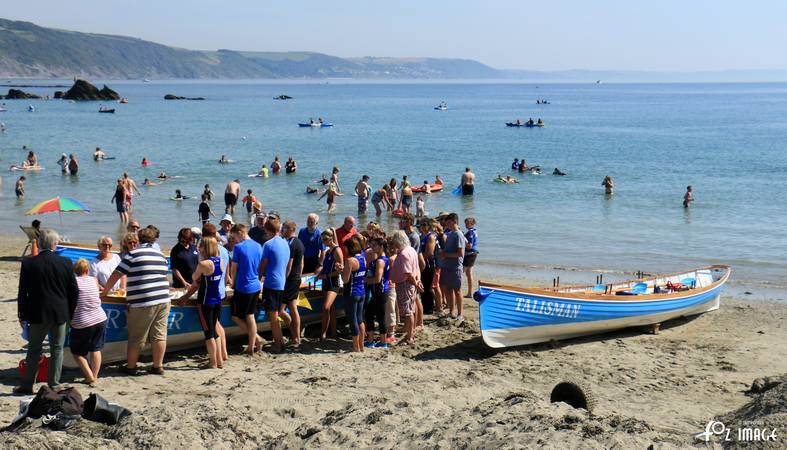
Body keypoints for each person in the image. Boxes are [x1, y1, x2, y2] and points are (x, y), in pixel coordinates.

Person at [14, 229, 79, 394]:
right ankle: (54, 384)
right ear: (55, 244)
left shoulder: (29, 263)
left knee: (34, 349)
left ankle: (28, 384)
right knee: (57, 349)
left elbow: (23, 292)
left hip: (37, 312)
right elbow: (74, 291)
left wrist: (22, 314)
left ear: (40, 243)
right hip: (60, 312)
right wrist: (70, 312)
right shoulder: (65, 262)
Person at [102, 227, 170, 375]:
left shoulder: (133, 254)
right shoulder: (160, 255)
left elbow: (116, 274)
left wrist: (105, 293)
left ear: (139, 240)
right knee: (159, 335)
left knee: (136, 336)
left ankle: (131, 367)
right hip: (164, 298)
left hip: (143, 301)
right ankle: (158, 366)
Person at [177, 236, 224, 369]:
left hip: (205, 301)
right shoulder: (219, 261)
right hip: (217, 300)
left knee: (208, 333)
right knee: (215, 331)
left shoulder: (204, 264)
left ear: (206, 247)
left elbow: (193, 277)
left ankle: (213, 362)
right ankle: (219, 360)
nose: (199, 248)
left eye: (201, 245)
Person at [70, 258, 108, 385]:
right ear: (87, 270)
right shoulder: (94, 280)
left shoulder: (73, 282)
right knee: (95, 349)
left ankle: (89, 375)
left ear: (75, 271)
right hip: (100, 318)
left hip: (82, 321)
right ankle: (95, 376)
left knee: (77, 352)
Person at [229, 224, 264, 355]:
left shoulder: (238, 247)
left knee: (237, 316)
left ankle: (254, 342)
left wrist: (232, 283)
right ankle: (255, 341)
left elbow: (234, 269)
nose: (235, 240)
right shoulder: (258, 246)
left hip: (243, 286)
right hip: (256, 285)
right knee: (250, 315)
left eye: (235, 236)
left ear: (240, 232)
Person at [259, 216, 290, 352]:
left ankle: (279, 343)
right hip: (281, 282)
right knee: (276, 314)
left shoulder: (268, 244)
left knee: (273, 317)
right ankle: (287, 337)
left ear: (267, 230)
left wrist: (257, 279)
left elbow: (262, 266)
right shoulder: (286, 243)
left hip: (271, 283)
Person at [201, 223, 230, 365]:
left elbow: (197, 280)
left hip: (210, 293)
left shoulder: (206, 254)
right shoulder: (223, 251)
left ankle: (217, 358)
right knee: (218, 325)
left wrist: (186, 296)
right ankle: (222, 354)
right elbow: (226, 274)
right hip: (221, 292)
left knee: (213, 328)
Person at [389, 230, 422, 345]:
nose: (394, 245)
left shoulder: (404, 253)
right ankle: (409, 332)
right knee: (410, 309)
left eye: (394, 242)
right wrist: (418, 281)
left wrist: (415, 282)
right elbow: (416, 268)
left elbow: (408, 273)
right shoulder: (411, 250)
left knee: (408, 312)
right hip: (409, 283)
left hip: (405, 284)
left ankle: (410, 336)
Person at [364, 237, 396, 347]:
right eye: (371, 245)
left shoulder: (380, 261)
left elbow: (377, 279)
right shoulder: (382, 259)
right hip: (381, 290)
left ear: (381, 247)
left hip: (381, 291)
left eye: (374, 245)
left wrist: (366, 280)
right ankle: (377, 340)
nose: (372, 247)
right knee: (373, 314)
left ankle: (379, 341)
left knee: (377, 315)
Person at [438, 213, 467, 321]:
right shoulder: (450, 234)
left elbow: (460, 253)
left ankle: (460, 314)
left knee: (457, 290)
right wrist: (442, 252)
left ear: (455, 222)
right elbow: (449, 250)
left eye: (449, 222)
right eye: (446, 222)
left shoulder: (458, 234)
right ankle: (451, 312)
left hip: (455, 267)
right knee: (448, 289)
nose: (447, 224)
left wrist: (445, 254)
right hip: (447, 266)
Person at [317, 230, 343, 340]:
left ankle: (323, 334)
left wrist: (326, 275)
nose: (324, 242)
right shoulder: (327, 252)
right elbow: (325, 267)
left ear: (331, 238)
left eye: (325, 240)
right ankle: (333, 333)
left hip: (333, 283)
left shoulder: (337, 250)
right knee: (331, 309)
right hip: (325, 283)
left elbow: (340, 269)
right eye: (322, 240)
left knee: (326, 307)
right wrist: (320, 273)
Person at [342, 236, 366, 352]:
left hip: (351, 292)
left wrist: (341, 270)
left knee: (353, 320)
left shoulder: (349, 261)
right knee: (360, 319)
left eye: (345, 247)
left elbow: (345, 280)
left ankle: (355, 346)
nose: (344, 250)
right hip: (361, 291)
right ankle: (361, 345)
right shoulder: (363, 258)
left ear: (349, 248)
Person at [282, 220, 304, 347]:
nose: (282, 231)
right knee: (293, 308)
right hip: (296, 278)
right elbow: (301, 263)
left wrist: (283, 280)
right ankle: (296, 337)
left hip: (290, 280)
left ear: (290, 229)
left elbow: (289, 266)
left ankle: (295, 334)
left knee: (280, 310)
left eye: (284, 229)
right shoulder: (299, 242)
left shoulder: (292, 244)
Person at [418, 218, 438, 316]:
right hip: (422, 264)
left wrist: (419, 259)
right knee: (422, 286)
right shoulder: (421, 236)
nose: (421, 227)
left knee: (428, 286)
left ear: (428, 226)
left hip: (429, 264)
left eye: (423, 225)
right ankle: (425, 306)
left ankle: (429, 308)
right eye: (420, 225)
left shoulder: (430, 237)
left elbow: (429, 253)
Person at [463, 217, 478, 298]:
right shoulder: (474, 231)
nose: (466, 225)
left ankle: (467, 293)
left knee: (460, 272)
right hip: (473, 253)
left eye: (467, 223)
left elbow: (469, 246)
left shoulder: (470, 233)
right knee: (469, 274)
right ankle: (470, 293)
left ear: (472, 223)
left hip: (470, 254)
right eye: (465, 223)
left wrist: (463, 238)